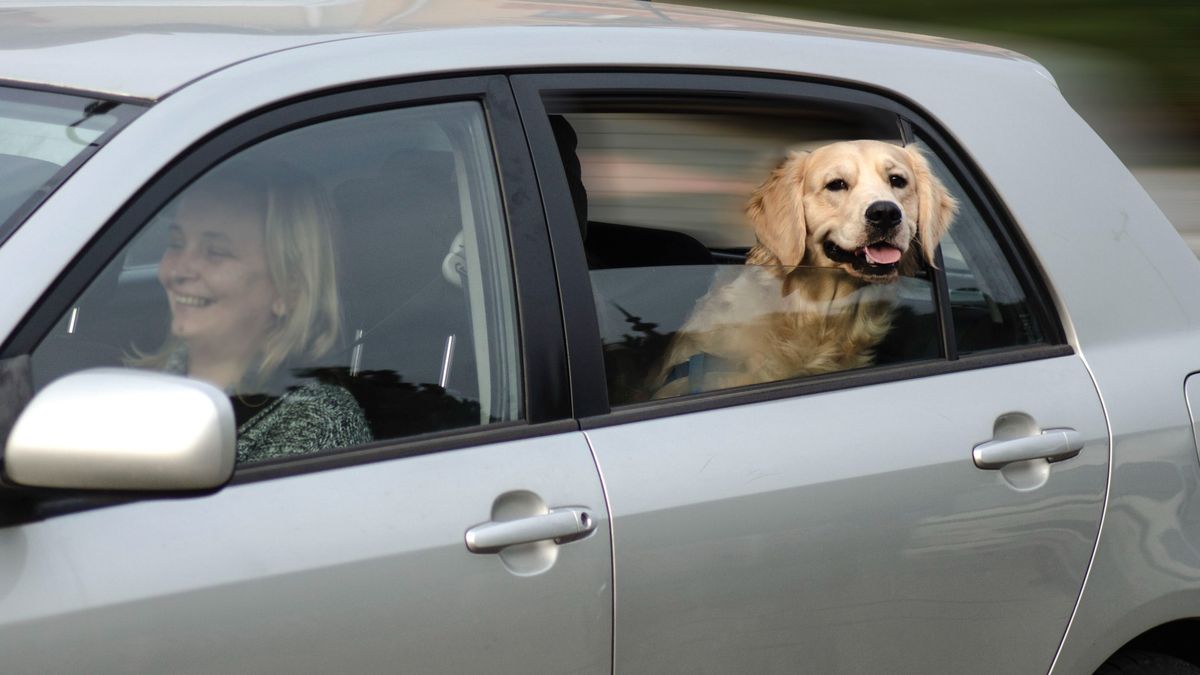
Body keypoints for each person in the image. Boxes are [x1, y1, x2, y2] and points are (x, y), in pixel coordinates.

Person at [135, 159, 371, 463]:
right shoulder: (143, 384)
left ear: (291, 288)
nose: (178, 270)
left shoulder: (317, 425)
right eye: (176, 243)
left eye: (216, 252)